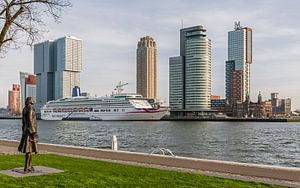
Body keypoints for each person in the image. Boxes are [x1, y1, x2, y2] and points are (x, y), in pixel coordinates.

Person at [18, 97, 38, 173]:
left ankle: (30, 165)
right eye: (32, 99)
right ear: (30, 101)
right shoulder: (30, 109)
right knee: (29, 151)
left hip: (26, 131)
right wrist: (33, 132)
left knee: (30, 150)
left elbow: (23, 122)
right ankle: (26, 167)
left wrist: (24, 130)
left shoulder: (25, 108)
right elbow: (30, 121)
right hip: (30, 132)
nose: (34, 100)